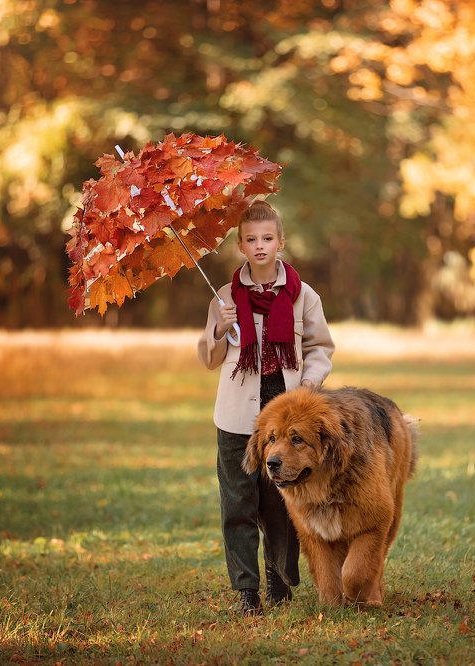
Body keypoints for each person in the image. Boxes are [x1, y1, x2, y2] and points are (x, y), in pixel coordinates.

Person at [197, 199, 335, 615]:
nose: (260, 246)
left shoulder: (302, 296)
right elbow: (209, 357)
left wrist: (309, 386)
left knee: (282, 502)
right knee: (238, 503)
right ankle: (246, 590)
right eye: (252, 240)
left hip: (285, 415)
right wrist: (219, 330)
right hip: (237, 418)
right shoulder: (223, 297)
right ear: (240, 245)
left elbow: (320, 347)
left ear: (281, 242)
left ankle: (280, 579)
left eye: (268, 239)